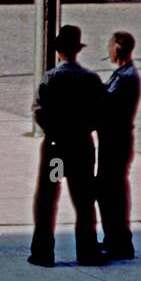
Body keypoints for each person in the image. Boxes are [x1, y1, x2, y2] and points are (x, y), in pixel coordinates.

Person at [29, 25, 105, 267]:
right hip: (81, 146)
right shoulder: (91, 79)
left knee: (48, 197)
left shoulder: (51, 78)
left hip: (56, 148)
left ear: (59, 52)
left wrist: (54, 130)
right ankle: (88, 250)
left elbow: (39, 111)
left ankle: (43, 251)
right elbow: (100, 113)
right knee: (84, 199)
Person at [97, 31, 141, 261]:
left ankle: (118, 240)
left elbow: (105, 104)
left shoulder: (125, 78)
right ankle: (113, 238)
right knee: (109, 190)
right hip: (114, 138)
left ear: (116, 48)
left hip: (116, 140)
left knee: (110, 191)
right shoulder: (123, 74)